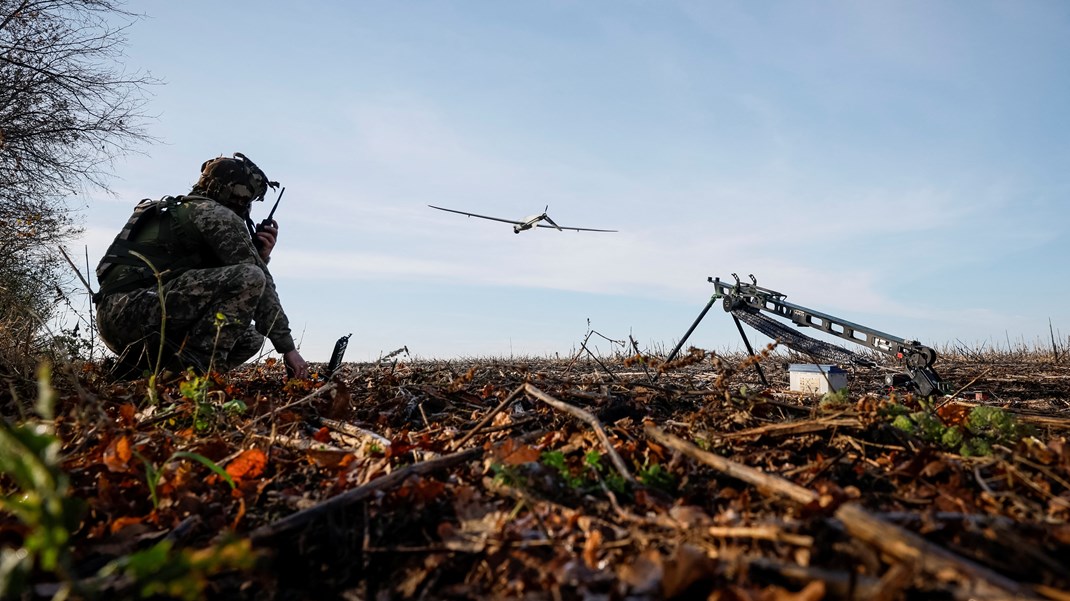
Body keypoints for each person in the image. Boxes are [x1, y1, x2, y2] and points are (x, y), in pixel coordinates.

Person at [93, 152, 309, 380]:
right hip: (138, 312)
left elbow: (212, 286)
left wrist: (260, 256)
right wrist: (288, 349)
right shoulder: (214, 214)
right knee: (251, 276)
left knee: (250, 337)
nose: (247, 207)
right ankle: (196, 380)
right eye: (246, 199)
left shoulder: (177, 210)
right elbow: (254, 282)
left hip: (119, 317)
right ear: (233, 193)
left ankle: (156, 377)